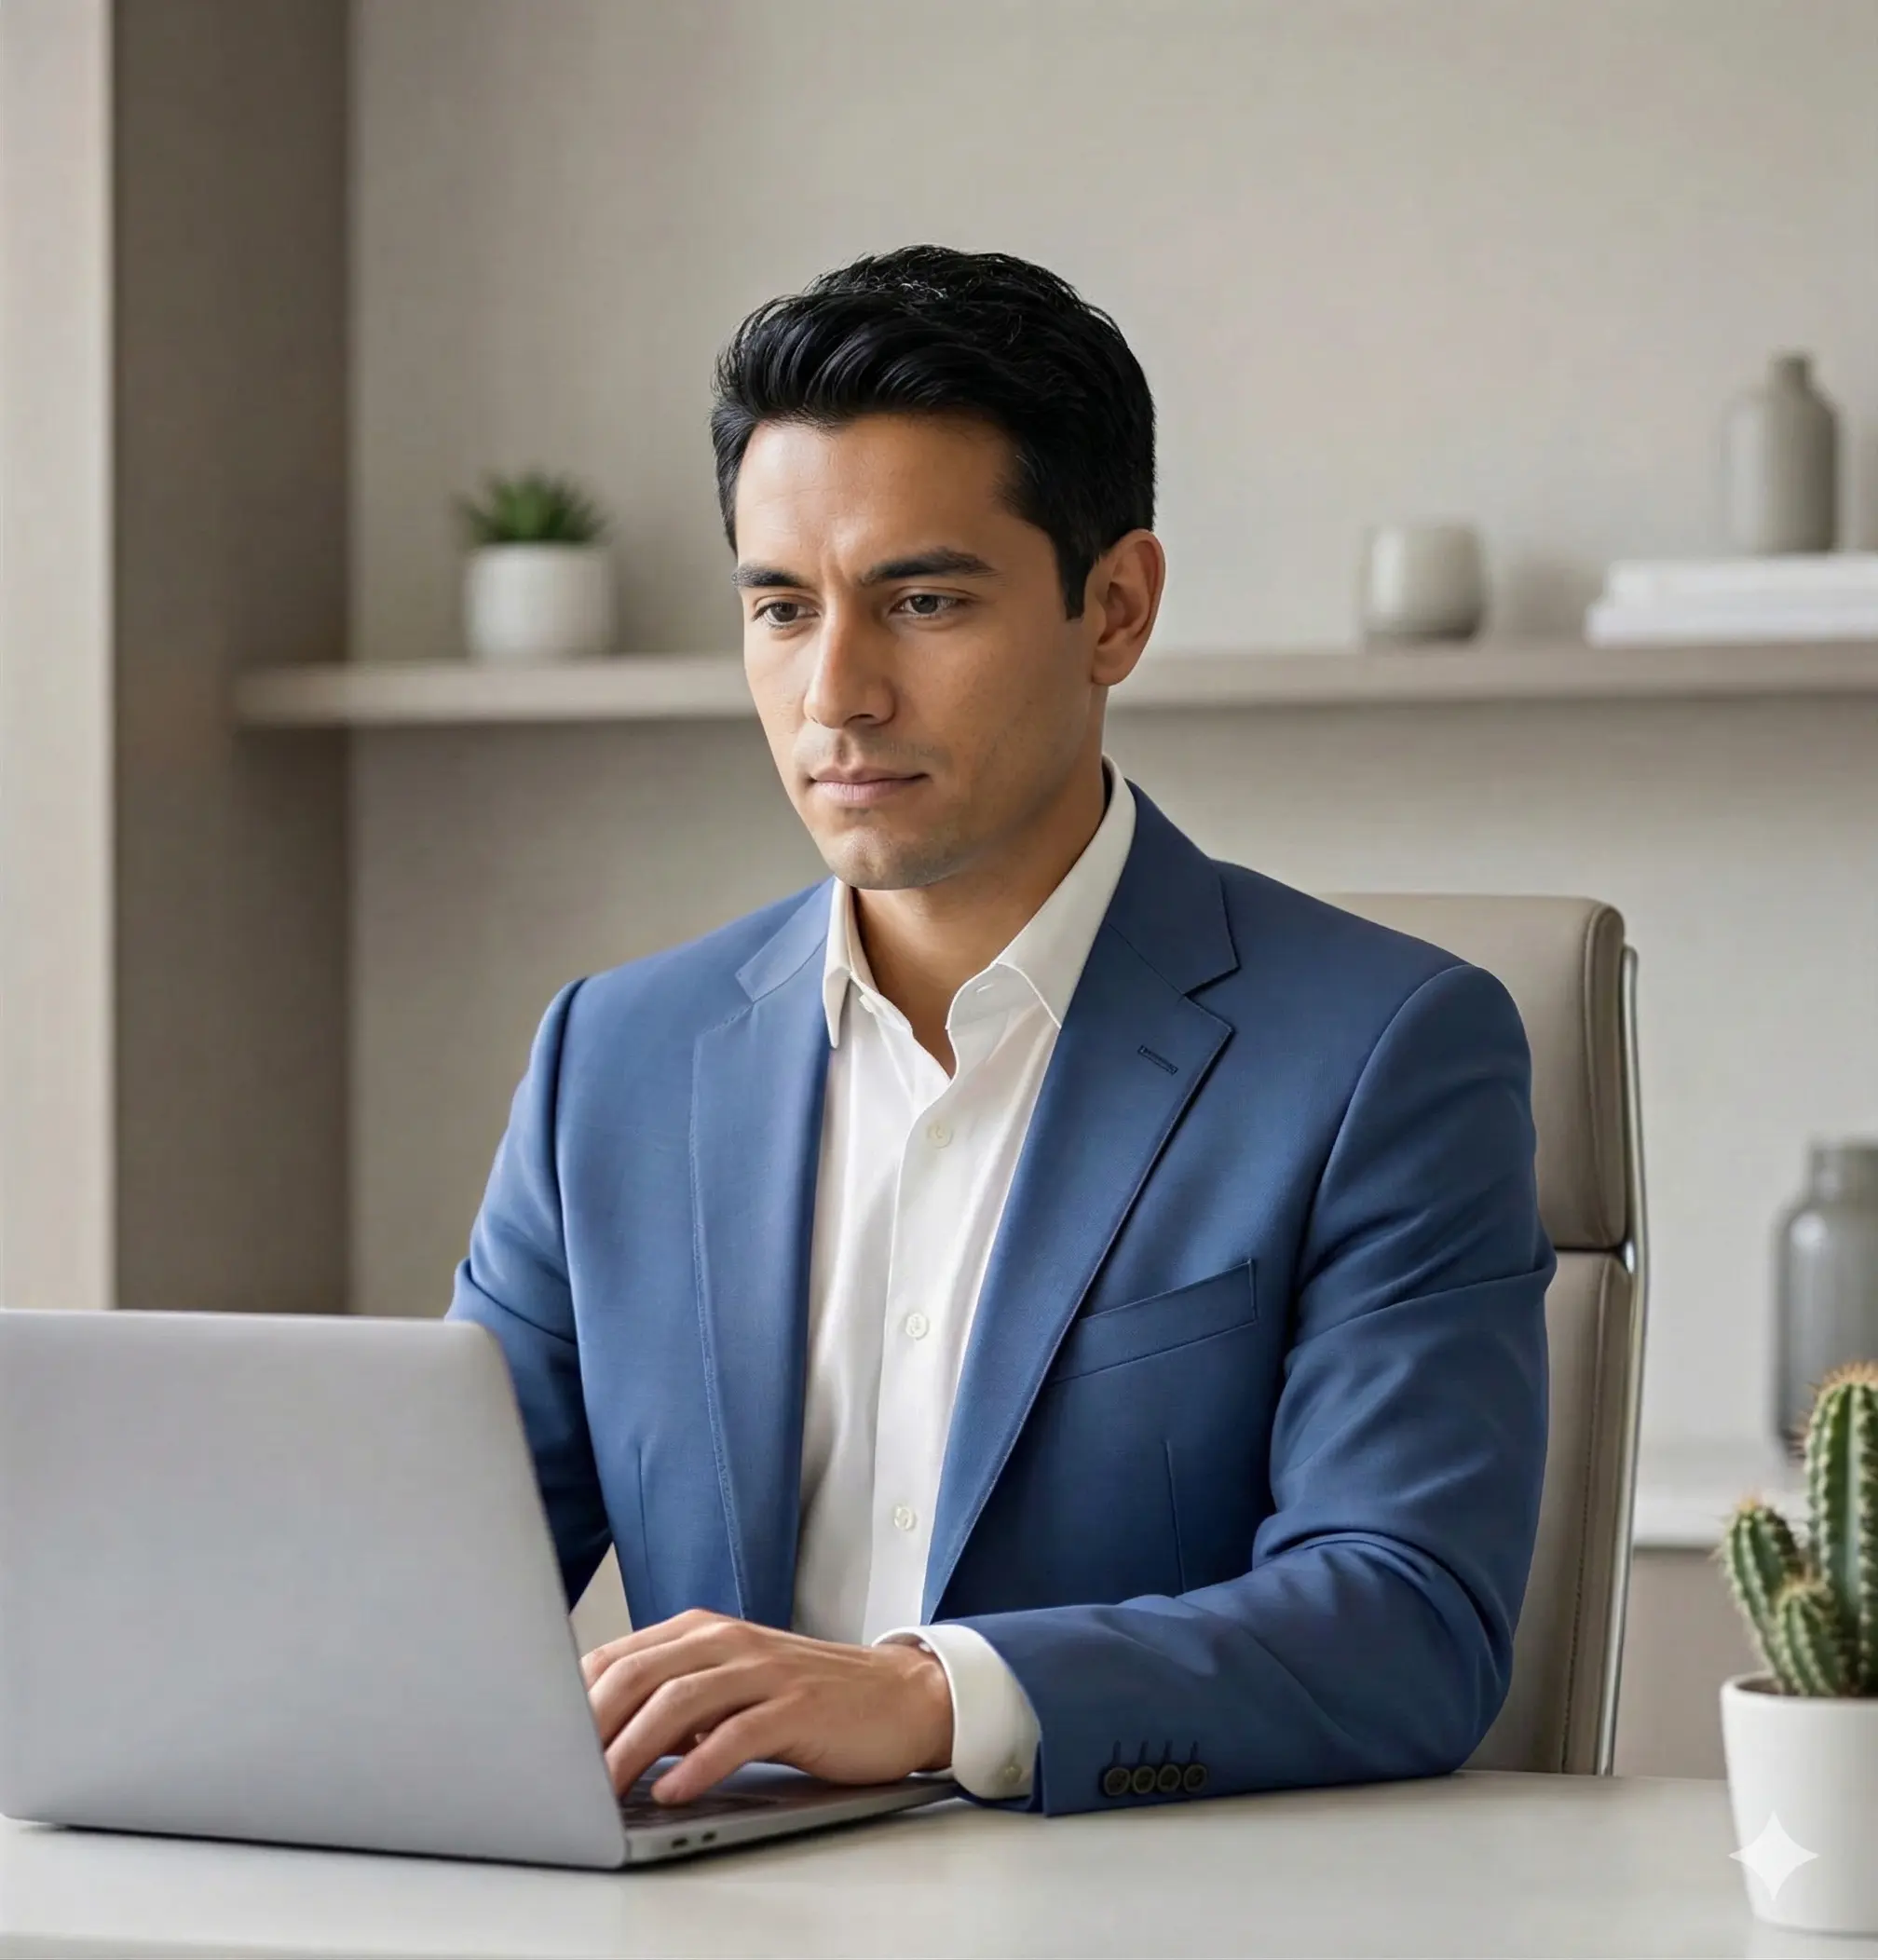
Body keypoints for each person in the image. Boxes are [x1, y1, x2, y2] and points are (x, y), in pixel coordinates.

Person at [447, 246, 1552, 1817]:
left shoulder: (1388, 1050)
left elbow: (1408, 1622)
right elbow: (433, 1586)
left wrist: (924, 1697)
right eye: (780, 607)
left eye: (924, 599)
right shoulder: (609, 1062)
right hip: (707, 1916)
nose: (838, 693)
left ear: (1116, 609)